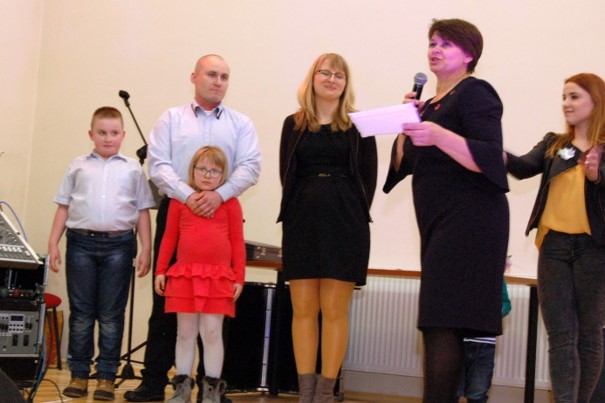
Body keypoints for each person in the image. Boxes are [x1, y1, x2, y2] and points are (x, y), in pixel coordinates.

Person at [383, 18, 510, 402]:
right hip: (439, 222)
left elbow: (490, 158)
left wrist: (439, 135)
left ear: (469, 54)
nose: (435, 49)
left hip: (471, 221)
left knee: (440, 321)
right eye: (433, 43)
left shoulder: (475, 93)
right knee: (441, 321)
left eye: (446, 44)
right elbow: (404, 164)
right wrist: (406, 124)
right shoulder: (430, 105)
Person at [125, 54, 261, 403]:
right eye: (212, 74)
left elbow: (250, 166)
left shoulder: (241, 123)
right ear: (194, 77)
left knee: (215, 317)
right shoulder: (171, 118)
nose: (218, 81)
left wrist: (218, 195)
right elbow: (158, 164)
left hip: (222, 215)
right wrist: (189, 196)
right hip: (177, 210)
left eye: (224, 76)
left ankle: (211, 389)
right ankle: (155, 383)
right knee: (166, 307)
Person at [277, 52, 377, 403]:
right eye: (325, 73)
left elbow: (368, 179)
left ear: (346, 84)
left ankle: (324, 393)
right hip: (301, 221)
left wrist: (349, 210)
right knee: (303, 310)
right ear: (313, 78)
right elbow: (286, 173)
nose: (332, 79)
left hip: (346, 222)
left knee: (335, 311)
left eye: (339, 75)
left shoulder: (359, 125)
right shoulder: (293, 123)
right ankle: (305, 393)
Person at [505, 72, 605, 402]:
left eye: (574, 96)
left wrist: (597, 176)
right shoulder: (554, 144)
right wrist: (489, 148)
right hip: (554, 248)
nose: (566, 103)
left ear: (596, 101)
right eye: (564, 97)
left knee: (589, 335)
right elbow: (521, 166)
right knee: (561, 336)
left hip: (594, 250)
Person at [47, 106, 154, 401]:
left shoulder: (133, 169)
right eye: (102, 132)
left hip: (119, 247)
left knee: (110, 315)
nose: (108, 138)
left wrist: (146, 249)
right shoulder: (78, 165)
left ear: (123, 135)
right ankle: (79, 375)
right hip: (80, 244)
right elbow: (64, 206)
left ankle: (106, 377)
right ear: (91, 134)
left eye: (114, 133)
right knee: (82, 314)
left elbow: (143, 212)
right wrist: (53, 243)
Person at [154, 146, 245, 403]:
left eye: (214, 171)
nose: (207, 174)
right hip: (185, 276)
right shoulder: (179, 201)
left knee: (212, 333)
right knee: (185, 333)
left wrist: (239, 277)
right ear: (192, 170)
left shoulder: (231, 203)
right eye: (202, 168)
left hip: (218, 278)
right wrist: (161, 270)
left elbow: (237, 241)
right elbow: (169, 238)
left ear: (223, 175)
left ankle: (212, 391)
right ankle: (181, 389)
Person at [457, 281, 511, 403]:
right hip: (457, 342)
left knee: (478, 391)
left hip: (485, 343)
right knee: (452, 388)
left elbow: (505, 303)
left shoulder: (495, 277)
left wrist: (494, 312)